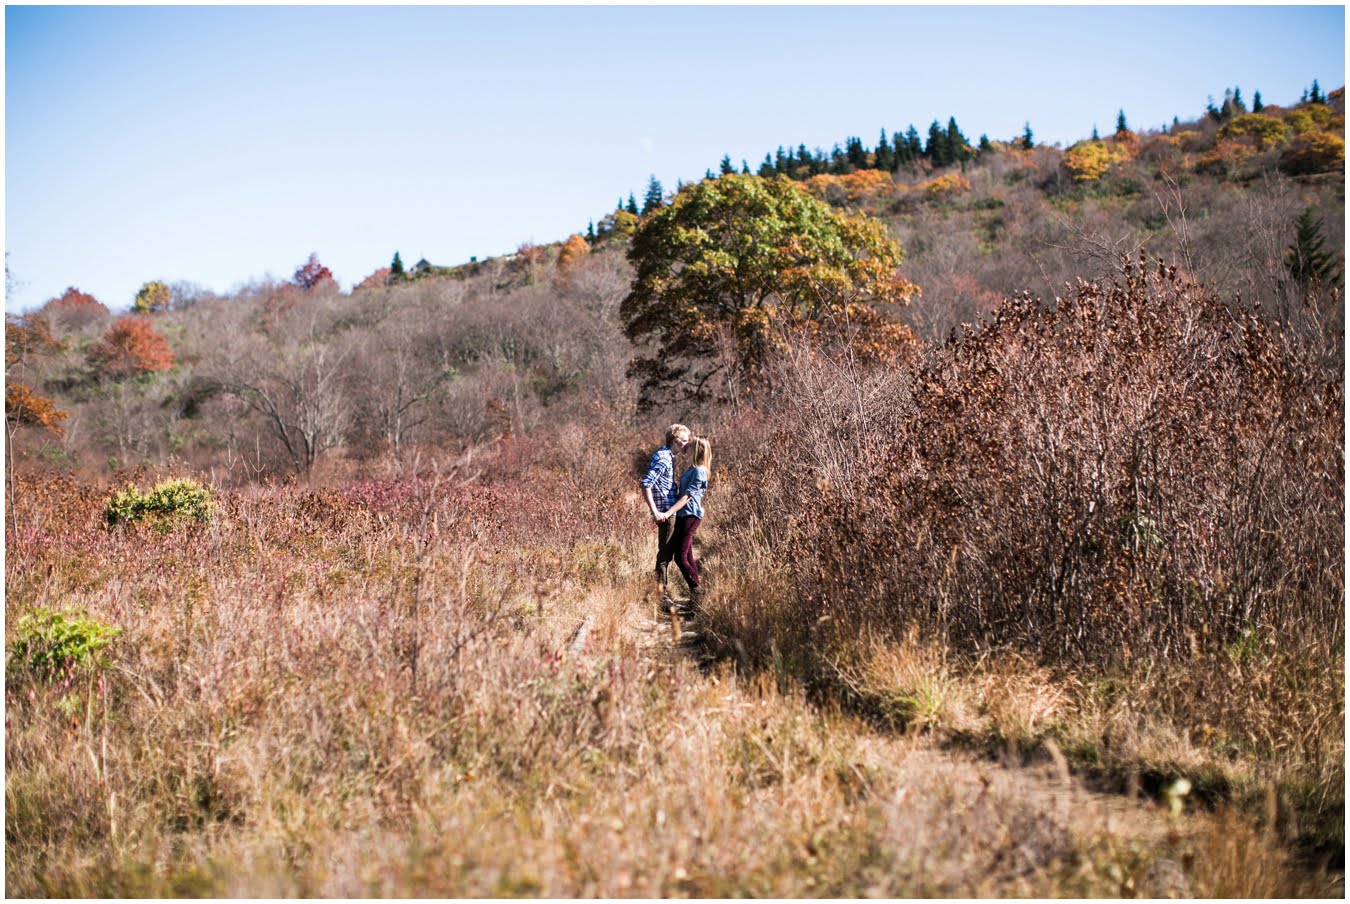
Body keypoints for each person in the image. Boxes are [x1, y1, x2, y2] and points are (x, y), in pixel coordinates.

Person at [658, 436, 711, 611]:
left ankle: (698, 596)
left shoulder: (700, 471)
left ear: (697, 449)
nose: (686, 446)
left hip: (690, 516)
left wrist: (669, 512)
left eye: (690, 444)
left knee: (681, 558)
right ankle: (696, 599)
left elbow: (687, 497)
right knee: (687, 556)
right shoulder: (692, 468)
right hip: (683, 515)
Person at [640, 424, 690, 592]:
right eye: (684, 440)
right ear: (676, 441)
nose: (687, 443)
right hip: (666, 513)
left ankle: (662, 593)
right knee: (665, 555)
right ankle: (662, 596)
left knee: (667, 554)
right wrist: (655, 512)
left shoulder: (668, 456)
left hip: (669, 511)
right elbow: (646, 484)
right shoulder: (663, 458)